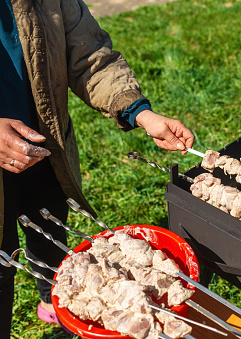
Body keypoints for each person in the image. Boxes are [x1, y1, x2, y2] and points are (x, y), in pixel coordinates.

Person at [0, 0, 194, 336]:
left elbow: (90, 58)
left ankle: (54, 300)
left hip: (44, 148)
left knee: (50, 224)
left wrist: (141, 114)